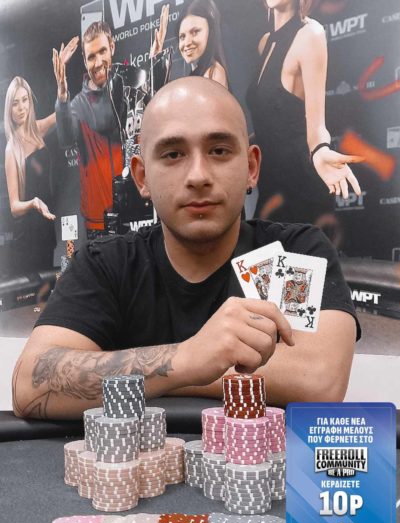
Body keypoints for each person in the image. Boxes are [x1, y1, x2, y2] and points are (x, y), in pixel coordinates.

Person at [12, 77, 359, 421]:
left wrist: (152, 374)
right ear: (142, 178)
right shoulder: (106, 264)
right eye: (173, 154)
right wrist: (189, 359)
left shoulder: (293, 253)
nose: (198, 176)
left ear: (251, 167)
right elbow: (30, 384)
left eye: (219, 151)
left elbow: (319, 378)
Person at [52, 8, 169, 239]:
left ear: (112, 47)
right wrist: (62, 96)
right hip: (98, 222)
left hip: (136, 214)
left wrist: (155, 63)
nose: (98, 62)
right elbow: (65, 139)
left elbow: (158, 114)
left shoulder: (131, 88)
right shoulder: (77, 105)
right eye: (91, 57)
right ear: (84, 61)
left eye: (102, 51)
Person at [247, 0, 362, 222]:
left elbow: (316, 126)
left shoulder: (310, 34)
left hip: (300, 187)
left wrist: (320, 149)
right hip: (270, 186)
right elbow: (272, 119)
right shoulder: (264, 42)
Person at [4, 59, 76, 274]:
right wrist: (34, 203)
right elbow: (14, 207)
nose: (21, 107)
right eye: (15, 103)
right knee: (36, 289)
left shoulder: (38, 129)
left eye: (24, 100)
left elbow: (63, 110)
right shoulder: (12, 148)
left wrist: (62, 85)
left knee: (51, 281)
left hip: (47, 226)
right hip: (28, 235)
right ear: (9, 109)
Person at [177, 0, 228, 88]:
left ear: (211, 32)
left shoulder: (213, 73)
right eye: (182, 37)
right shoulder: (199, 75)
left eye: (195, 32)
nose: (187, 43)